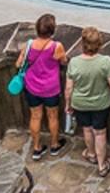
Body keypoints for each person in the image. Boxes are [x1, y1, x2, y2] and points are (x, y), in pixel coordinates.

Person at [65, 26, 110, 176]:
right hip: (100, 104)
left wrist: (68, 105)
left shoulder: (74, 62)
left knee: (87, 129)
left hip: (80, 103)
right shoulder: (105, 61)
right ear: (99, 44)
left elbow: (69, 88)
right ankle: (102, 165)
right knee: (99, 133)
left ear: (82, 44)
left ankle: (91, 154)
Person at [17, 14, 68, 159]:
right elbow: (63, 61)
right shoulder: (56, 46)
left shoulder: (28, 45)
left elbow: (18, 64)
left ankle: (37, 148)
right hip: (51, 88)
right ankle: (54, 145)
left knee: (35, 116)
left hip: (32, 86)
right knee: (53, 116)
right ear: (52, 30)